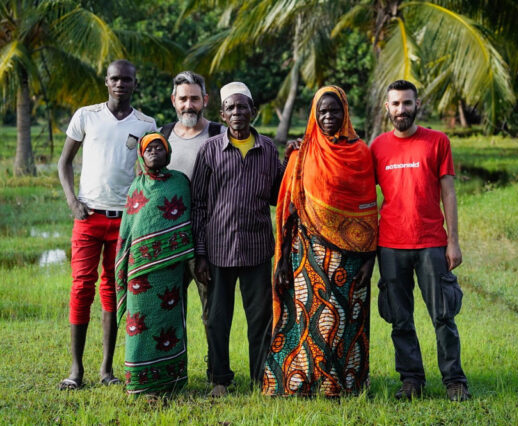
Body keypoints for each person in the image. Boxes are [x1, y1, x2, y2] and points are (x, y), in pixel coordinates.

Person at [261, 86, 378, 397]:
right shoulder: (302, 152)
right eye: (322, 111)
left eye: (335, 110)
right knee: (309, 319)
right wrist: (284, 257)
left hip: (351, 259)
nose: (329, 117)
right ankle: (302, 382)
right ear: (314, 113)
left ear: (345, 113)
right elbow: (288, 207)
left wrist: (369, 258)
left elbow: (368, 209)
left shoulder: (361, 154)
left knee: (343, 322)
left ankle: (343, 383)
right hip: (307, 253)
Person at [57, 60, 157, 390]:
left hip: (125, 220)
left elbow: (149, 169)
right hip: (88, 217)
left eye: (126, 79)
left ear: (134, 83)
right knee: (81, 287)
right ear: (106, 81)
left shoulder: (145, 123)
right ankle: (75, 369)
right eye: (115, 78)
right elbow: (64, 163)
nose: (120, 84)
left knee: (113, 290)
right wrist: (73, 201)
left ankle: (106, 369)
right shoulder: (86, 116)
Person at [370, 79, 469, 401]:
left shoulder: (437, 141)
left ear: (417, 106)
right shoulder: (377, 147)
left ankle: (454, 380)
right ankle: (411, 380)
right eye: (396, 104)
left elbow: (449, 193)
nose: (402, 109)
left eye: (407, 103)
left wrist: (453, 241)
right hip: (390, 245)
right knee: (399, 319)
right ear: (387, 108)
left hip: (430, 243)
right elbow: (360, 191)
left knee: (443, 316)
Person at [191, 82, 283, 397]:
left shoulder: (268, 149)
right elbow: (199, 204)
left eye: (242, 106)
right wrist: (200, 254)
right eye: (230, 107)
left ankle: (261, 378)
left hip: (257, 248)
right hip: (217, 250)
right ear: (222, 113)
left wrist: (298, 157)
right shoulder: (210, 150)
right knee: (216, 319)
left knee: (260, 319)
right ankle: (220, 379)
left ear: (252, 110)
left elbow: (278, 197)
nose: (237, 112)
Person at [114, 133, 194, 395]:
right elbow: (128, 229)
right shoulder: (136, 188)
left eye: (160, 147)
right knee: (140, 326)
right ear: (141, 155)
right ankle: (140, 382)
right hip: (140, 274)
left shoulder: (180, 183)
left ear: (168, 152)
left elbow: (188, 220)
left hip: (171, 270)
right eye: (149, 149)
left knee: (169, 323)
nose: (154, 152)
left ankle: (170, 380)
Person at [160, 71, 225, 329]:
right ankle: (174, 368)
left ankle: (216, 368)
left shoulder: (220, 135)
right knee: (169, 309)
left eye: (195, 99)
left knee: (212, 310)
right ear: (173, 100)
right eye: (183, 98)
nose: (189, 105)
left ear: (206, 100)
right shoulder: (161, 137)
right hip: (169, 238)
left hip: (208, 239)